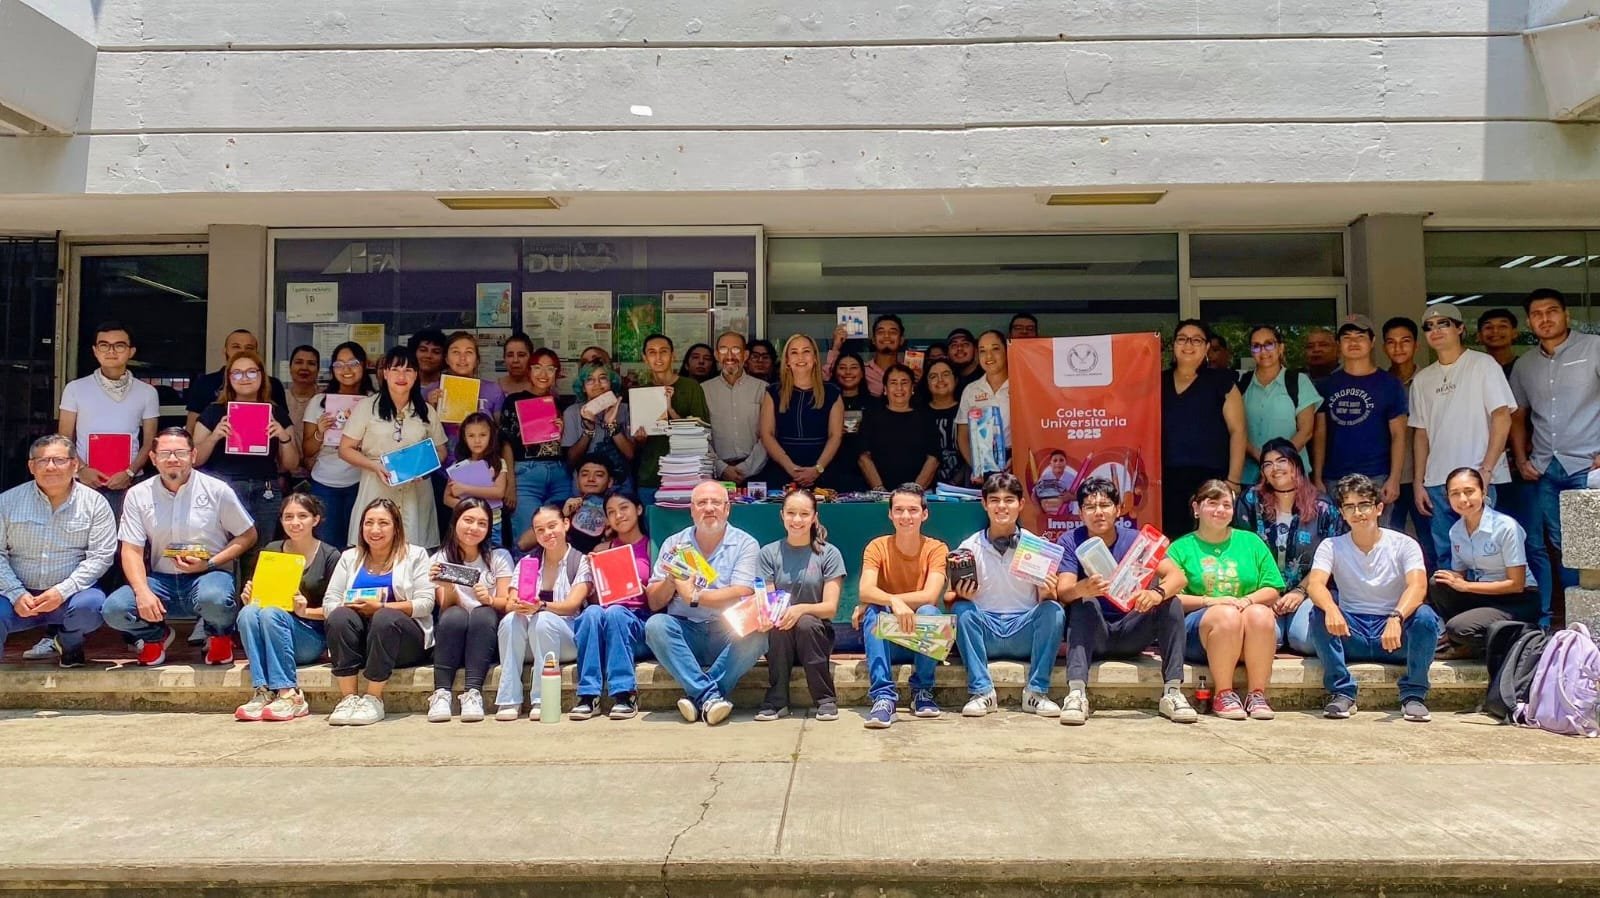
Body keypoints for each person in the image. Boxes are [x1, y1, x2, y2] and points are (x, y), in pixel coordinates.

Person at [102, 428, 257, 666]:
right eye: (165, 454)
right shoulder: (138, 494)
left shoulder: (217, 490)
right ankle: (154, 636)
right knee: (115, 609)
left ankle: (219, 636)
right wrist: (142, 592)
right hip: (161, 580)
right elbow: (131, 549)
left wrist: (210, 563)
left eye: (180, 453)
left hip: (209, 576)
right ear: (153, 458)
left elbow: (248, 535)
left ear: (193, 455)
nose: (172, 459)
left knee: (215, 599)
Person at [1055, 476, 1196, 725]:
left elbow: (1178, 577)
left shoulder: (1137, 540)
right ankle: (1076, 693)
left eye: (1105, 505)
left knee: (1170, 602)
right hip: (1095, 634)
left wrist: (1155, 594)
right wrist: (1083, 588)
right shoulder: (1071, 540)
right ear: (1080, 513)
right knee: (1083, 602)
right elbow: (1063, 591)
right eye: (1090, 507)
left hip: (1133, 629)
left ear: (1118, 509)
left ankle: (1173, 692)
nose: (1098, 512)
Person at [1304, 474, 1439, 721]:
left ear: (1378, 508)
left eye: (1364, 505)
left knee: (1426, 617)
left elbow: (1418, 586)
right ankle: (1342, 693)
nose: (1358, 513)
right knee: (1319, 610)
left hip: (1394, 635)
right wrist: (1332, 609)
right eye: (1350, 506)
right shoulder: (1331, 545)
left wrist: (1396, 617)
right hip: (1351, 631)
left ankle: (1414, 695)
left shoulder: (1404, 544)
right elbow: (1315, 584)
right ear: (1342, 513)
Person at [1511, 288, 1599, 627]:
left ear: (1566, 314)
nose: (1545, 319)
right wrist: (1521, 459)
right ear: (1529, 322)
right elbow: (1518, 416)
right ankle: (1575, 621)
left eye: (1552, 311)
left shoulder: (1594, 348)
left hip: (1589, 465)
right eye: (1537, 314)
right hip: (1546, 467)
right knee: (1563, 545)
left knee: (1592, 544)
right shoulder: (1525, 365)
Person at [643, 480, 765, 725]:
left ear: (727, 508)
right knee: (656, 625)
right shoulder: (674, 544)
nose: (709, 508)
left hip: (727, 630)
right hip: (686, 631)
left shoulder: (745, 543)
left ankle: (697, 696)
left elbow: (741, 592)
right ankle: (710, 697)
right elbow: (654, 602)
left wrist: (694, 596)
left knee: (759, 634)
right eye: (701, 503)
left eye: (715, 502)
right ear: (691, 510)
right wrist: (671, 579)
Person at [948, 472, 1066, 718]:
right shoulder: (969, 547)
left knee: (1054, 610)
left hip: (1023, 630)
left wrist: (1048, 590)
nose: (1002, 506)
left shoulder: (1036, 545)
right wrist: (961, 594)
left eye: (1009, 500)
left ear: (1021, 504)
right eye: (995, 500)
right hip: (986, 631)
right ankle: (982, 693)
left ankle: (1036, 693)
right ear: (984, 504)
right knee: (961, 610)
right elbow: (948, 598)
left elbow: (1047, 599)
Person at [1410, 303, 1517, 566]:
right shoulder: (1422, 379)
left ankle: (1483, 596)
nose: (1436, 330)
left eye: (1443, 324)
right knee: (1446, 554)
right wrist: (1418, 482)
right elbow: (1421, 434)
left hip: (1476, 477)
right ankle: (1452, 596)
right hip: (1436, 481)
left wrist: (1487, 470)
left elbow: (1502, 417)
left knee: (1485, 553)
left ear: (1460, 328)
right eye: (1429, 327)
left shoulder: (1483, 364)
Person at [1171, 479, 1284, 720]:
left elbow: (1273, 587)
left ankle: (1257, 694)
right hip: (1203, 633)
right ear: (1196, 507)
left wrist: (1247, 601)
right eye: (1212, 504)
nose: (1220, 510)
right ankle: (1223, 694)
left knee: (1261, 613)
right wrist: (1208, 601)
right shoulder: (1180, 548)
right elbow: (1168, 596)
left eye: (1226, 505)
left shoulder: (1251, 542)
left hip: (1248, 631)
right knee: (1226, 614)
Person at [0, 435, 115, 669]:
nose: (50, 467)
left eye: (59, 460)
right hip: (16, 597)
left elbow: (101, 557)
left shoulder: (95, 503)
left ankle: (69, 644)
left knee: (91, 606)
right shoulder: (7, 502)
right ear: (31, 467)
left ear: (74, 465)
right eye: (42, 461)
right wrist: (16, 593)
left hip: (70, 595)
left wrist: (61, 592)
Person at [323, 498, 437, 727]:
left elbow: (426, 603)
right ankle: (348, 698)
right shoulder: (349, 557)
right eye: (369, 523)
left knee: (384, 618)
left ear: (396, 528)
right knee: (339, 616)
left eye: (383, 523)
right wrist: (353, 606)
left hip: (403, 640)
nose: (375, 530)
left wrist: (381, 607)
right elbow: (329, 602)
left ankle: (373, 698)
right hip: (363, 641)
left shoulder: (415, 555)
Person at [233, 493, 340, 721]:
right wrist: (250, 597)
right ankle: (262, 690)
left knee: (272, 613)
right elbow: (259, 598)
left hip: (309, 637)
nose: (295, 522)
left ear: (315, 519)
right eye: (288, 517)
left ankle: (289, 693)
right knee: (248, 612)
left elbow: (339, 609)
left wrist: (305, 611)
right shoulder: (272, 550)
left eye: (302, 516)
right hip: (270, 631)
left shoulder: (330, 555)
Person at [192, 349, 300, 576]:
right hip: (223, 489)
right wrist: (215, 436)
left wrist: (283, 436)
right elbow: (194, 459)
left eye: (251, 372)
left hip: (265, 491)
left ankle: (252, 599)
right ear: (229, 378)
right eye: (237, 373)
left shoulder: (276, 412)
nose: (245, 378)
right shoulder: (214, 412)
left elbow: (291, 464)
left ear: (262, 376)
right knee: (222, 553)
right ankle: (223, 597)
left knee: (260, 556)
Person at [1235, 437, 1345, 656]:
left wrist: (1300, 591)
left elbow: (1332, 557)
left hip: (1308, 590)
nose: (1275, 468)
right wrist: (1269, 593)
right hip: (1263, 592)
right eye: (1267, 464)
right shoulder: (1250, 501)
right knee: (1269, 637)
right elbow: (1242, 551)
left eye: (1281, 461)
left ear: (1296, 465)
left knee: (1303, 640)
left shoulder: (1323, 507)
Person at [855, 484, 947, 728]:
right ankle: (883, 698)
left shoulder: (937, 548)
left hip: (922, 643)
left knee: (930, 612)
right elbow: (865, 590)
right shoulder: (877, 546)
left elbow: (930, 595)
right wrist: (892, 601)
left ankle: (922, 691)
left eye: (913, 510)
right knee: (874, 612)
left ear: (924, 514)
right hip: (887, 641)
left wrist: (884, 598)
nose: (906, 516)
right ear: (890, 514)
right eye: (899, 510)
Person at [338, 347, 448, 549]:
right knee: (375, 546)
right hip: (376, 485)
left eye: (408, 370)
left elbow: (441, 450)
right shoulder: (367, 407)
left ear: (416, 375)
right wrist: (374, 466)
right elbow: (345, 449)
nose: (401, 376)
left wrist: (424, 469)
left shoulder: (426, 410)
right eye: (396, 369)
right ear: (385, 373)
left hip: (416, 492)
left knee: (413, 551)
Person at [752, 489, 843, 721]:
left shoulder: (828, 553)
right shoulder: (768, 553)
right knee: (779, 624)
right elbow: (768, 603)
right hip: (780, 639)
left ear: (814, 517)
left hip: (815, 636)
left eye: (804, 514)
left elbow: (830, 608)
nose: (797, 520)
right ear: (782, 515)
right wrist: (775, 615)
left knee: (805, 623)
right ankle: (776, 701)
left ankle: (825, 699)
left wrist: (800, 609)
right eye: (791, 513)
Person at [1430, 467, 1540, 659]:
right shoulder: (1456, 531)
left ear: (1483, 492)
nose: (1463, 499)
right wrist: (1457, 584)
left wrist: (1466, 586)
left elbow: (1517, 584)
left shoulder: (1505, 527)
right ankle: (1462, 641)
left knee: (1458, 628)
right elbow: (1458, 577)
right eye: (1455, 494)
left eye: (1469, 491)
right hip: (1483, 594)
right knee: (1439, 582)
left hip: (1518, 599)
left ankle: (1516, 636)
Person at [58, 320, 160, 519]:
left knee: (124, 533)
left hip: (128, 482)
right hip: (84, 481)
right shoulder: (75, 389)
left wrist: (130, 473)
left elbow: (150, 442)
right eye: (104, 345)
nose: (111, 351)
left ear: (131, 351)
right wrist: (82, 469)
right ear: (95, 351)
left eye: (119, 345)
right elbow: (64, 438)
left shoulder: (147, 392)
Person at [496, 503, 588, 720]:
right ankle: (509, 699)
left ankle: (542, 698)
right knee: (510, 620)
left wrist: (542, 606)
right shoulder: (528, 563)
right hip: (529, 640)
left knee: (544, 619)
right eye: (540, 530)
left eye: (552, 526)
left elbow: (572, 605)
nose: (547, 533)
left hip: (565, 639)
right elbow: (509, 603)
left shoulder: (580, 561)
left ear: (566, 524)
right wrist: (518, 605)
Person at [426, 498, 515, 723]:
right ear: (455, 521)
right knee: (454, 615)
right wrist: (447, 587)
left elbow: (507, 603)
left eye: (482, 523)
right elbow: (446, 606)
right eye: (468, 520)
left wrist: (489, 599)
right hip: (453, 635)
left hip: (486, 636)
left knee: (483, 613)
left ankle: (473, 693)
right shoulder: (440, 558)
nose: (474, 528)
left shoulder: (499, 557)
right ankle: (441, 693)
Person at [571, 490, 654, 719]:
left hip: (638, 623)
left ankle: (624, 693)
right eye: (611, 512)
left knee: (616, 613)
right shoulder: (602, 550)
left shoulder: (651, 547)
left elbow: (659, 601)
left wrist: (639, 587)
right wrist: (595, 579)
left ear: (638, 509)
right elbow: (596, 601)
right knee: (592, 612)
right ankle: (588, 695)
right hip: (607, 622)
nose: (618, 515)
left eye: (624, 508)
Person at [1312, 315, 1408, 509]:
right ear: (1339, 344)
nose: (1353, 342)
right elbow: (1320, 434)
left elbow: (1399, 435)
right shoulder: (1326, 385)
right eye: (1347, 337)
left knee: (1376, 529)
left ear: (1372, 341)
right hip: (1333, 478)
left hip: (1377, 476)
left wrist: (1394, 478)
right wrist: (1317, 477)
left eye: (1360, 336)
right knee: (1334, 529)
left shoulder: (1390, 384)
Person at [1162, 320, 1246, 537]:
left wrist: (1233, 480)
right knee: (1173, 541)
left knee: (1211, 538)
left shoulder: (1223, 382)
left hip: (1211, 479)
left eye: (1196, 340)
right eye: (1182, 339)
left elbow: (1238, 431)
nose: (1188, 344)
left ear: (1207, 346)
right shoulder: (1158, 382)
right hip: (1166, 480)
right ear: (1174, 345)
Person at [302, 341, 375, 548]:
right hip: (324, 482)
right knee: (327, 546)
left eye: (353, 363)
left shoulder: (374, 401)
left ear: (363, 365)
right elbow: (307, 451)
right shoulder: (319, 401)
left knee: (360, 544)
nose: (346, 369)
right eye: (339, 364)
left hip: (362, 482)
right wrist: (320, 432)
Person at [632, 334, 711, 505]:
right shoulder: (642, 392)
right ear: (645, 358)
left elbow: (701, 432)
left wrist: (670, 410)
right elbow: (637, 444)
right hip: (651, 475)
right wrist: (640, 439)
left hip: (686, 474)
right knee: (652, 520)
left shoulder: (690, 387)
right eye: (652, 352)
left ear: (673, 356)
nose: (658, 357)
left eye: (663, 351)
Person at [1383, 316, 1436, 570]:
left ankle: (1435, 588)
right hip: (1391, 475)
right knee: (1392, 538)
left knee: (1430, 538)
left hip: (1426, 474)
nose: (1398, 348)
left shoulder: (1431, 381)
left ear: (1416, 345)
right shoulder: (1380, 383)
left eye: (1405, 341)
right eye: (1391, 342)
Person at [1237, 325, 1319, 486]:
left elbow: (1306, 431)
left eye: (1269, 344)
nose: (1263, 351)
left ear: (1280, 348)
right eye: (1256, 346)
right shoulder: (1242, 383)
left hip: (1291, 475)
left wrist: (1279, 461)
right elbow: (1236, 429)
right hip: (1249, 476)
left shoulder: (1299, 381)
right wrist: (1261, 458)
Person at [759, 334, 843, 489]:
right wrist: (791, 468)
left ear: (815, 358)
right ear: (787, 360)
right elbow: (766, 434)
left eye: (806, 351)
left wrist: (817, 469)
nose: (800, 357)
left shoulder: (832, 393)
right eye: (794, 352)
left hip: (824, 471)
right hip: (782, 470)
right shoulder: (773, 392)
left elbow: (835, 435)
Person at [504, 346, 573, 537]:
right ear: (529, 370)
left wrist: (563, 432)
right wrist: (510, 483)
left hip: (559, 473)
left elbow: (567, 447)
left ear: (556, 374)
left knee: (557, 533)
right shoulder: (514, 401)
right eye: (537, 367)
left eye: (550, 369)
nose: (543, 374)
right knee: (527, 534)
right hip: (526, 473)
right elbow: (506, 443)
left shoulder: (561, 404)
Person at [185, 329, 288, 432]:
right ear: (225, 351)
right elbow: (191, 428)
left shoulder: (273, 384)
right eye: (236, 347)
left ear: (256, 352)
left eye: (249, 348)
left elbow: (284, 425)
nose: (242, 351)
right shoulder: (204, 383)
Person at [703, 331, 768, 487]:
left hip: (757, 474)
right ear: (716, 355)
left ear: (745, 355)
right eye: (723, 350)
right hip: (715, 474)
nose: (730, 356)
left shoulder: (762, 389)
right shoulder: (703, 390)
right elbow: (699, 436)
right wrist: (722, 468)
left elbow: (768, 435)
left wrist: (745, 468)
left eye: (736, 350)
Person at [860, 364, 938, 491]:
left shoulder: (926, 417)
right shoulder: (871, 416)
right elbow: (863, 457)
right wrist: (880, 489)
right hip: (880, 494)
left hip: (918, 493)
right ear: (885, 389)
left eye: (904, 382)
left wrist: (914, 490)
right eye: (893, 383)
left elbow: (933, 458)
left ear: (912, 388)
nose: (899, 388)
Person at [562, 360, 634, 494]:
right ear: (583, 387)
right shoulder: (572, 412)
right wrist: (588, 430)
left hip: (621, 484)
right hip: (586, 486)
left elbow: (630, 454)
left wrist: (611, 425)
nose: (597, 384)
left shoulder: (624, 409)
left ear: (611, 383)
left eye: (603, 378)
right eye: (590, 380)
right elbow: (571, 460)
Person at [956, 330, 1014, 485]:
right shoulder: (971, 390)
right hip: (980, 461)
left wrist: (1016, 458)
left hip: (1013, 460)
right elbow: (962, 436)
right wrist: (976, 466)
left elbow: (1032, 429)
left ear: (1006, 350)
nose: (989, 356)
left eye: (995, 349)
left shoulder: (1020, 385)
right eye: (982, 351)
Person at [445, 412, 510, 548]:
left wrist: (465, 489)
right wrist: (471, 508)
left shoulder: (497, 463)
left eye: (482, 435)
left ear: (491, 436)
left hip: (492, 523)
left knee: (492, 556)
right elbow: (447, 498)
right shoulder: (458, 465)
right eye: (471, 436)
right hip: (466, 524)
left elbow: (499, 492)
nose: (477, 440)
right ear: (464, 437)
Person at [826, 351, 873, 493]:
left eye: (853, 367)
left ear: (862, 372)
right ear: (835, 372)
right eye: (842, 367)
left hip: (866, 473)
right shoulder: (825, 401)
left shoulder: (874, 404)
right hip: (830, 471)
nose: (848, 372)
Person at [921, 358, 971, 487]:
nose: (940, 380)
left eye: (946, 374)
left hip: (966, 486)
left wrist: (955, 482)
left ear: (956, 379)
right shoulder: (918, 413)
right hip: (925, 487)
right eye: (933, 376)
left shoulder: (968, 411)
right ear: (926, 383)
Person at [560, 456, 616, 554]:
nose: (591, 479)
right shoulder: (565, 506)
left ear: (610, 481)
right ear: (577, 480)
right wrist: (561, 516)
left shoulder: (617, 510)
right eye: (585, 474)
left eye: (599, 475)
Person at [284, 344, 321, 483]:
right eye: (299, 362)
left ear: (318, 370)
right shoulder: (280, 398)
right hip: (284, 475)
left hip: (319, 476)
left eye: (311, 363)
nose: (304, 368)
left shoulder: (325, 400)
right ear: (290, 367)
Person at [406, 329, 448, 396]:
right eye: (423, 350)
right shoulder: (402, 383)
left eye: (436, 352)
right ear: (414, 352)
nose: (428, 356)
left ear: (445, 357)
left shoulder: (449, 386)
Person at [497, 332, 536, 396]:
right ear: (504, 358)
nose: (515, 360)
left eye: (521, 355)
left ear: (531, 357)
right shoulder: (496, 388)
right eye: (510, 355)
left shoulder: (541, 388)